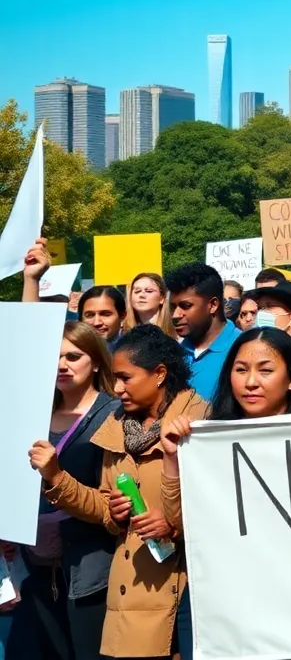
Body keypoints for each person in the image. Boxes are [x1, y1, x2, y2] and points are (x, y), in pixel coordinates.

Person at [34, 325, 208, 660]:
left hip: (184, 591)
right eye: (115, 378)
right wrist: (57, 477)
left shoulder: (199, 425)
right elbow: (103, 504)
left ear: (160, 374)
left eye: (126, 378)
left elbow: (220, 511)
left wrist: (174, 525)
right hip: (130, 592)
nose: (116, 388)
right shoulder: (116, 425)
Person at [11, 322, 118, 660]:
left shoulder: (113, 414)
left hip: (91, 568)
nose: (62, 365)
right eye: (54, 357)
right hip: (34, 566)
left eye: (73, 356)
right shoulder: (31, 412)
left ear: (96, 362)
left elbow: (109, 498)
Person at [165, 263, 240, 401]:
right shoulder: (174, 354)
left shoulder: (243, 347)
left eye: (186, 306)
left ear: (213, 305)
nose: (176, 315)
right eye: (173, 307)